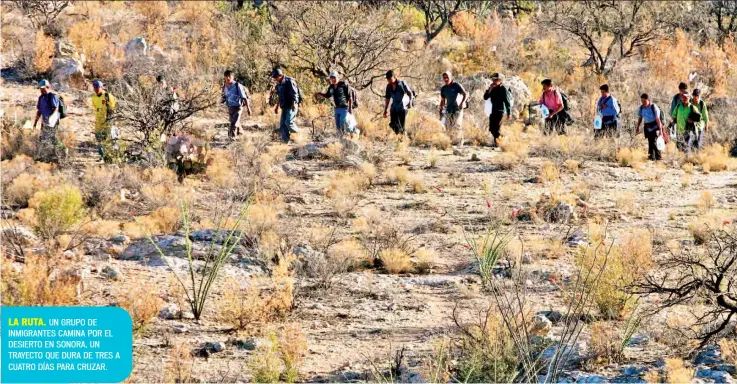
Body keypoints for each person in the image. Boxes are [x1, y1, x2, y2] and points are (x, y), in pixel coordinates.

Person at [34, 79, 62, 162]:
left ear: (48, 87)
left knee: (51, 139)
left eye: (43, 88)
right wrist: (35, 123)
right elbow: (39, 111)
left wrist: (50, 118)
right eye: (40, 89)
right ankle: (45, 156)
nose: (41, 90)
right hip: (44, 122)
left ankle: (61, 152)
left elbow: (55, 108)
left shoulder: (52, 96)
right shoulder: (41, 98)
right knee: (43, 139)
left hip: (52, 122)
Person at [90, 80, 118, 163]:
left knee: (110, 139)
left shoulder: (108, 96)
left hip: (108, 121)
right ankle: (102, 156)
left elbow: (113, 108)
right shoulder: (93, 97)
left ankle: (113, 156)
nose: (96, 89)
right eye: (94, 87)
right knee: (99, 139)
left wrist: (111, 120)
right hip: (98, 121)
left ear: (102, 87)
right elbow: (96, 108)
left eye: (98, 87)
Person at [482, 73, 512, 147]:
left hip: (501, 111)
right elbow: (485, 97)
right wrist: (490, 89)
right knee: (491, 128)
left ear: (500, 80)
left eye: (496, 80)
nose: (494, 81)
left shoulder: (503, 89)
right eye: (493, 79)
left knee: (497, 129)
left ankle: (498, 144)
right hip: (493, 111)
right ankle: (502, 139)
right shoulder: (492, 88)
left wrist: (509, 113)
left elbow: (507, 102)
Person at [439, 71, 467, 145]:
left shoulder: (456, 85)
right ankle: (450, 141)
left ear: (451, 77)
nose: (446, 79)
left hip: (458, 108)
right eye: (444, 78)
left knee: (457, 125)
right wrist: (441, 111)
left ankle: (460, 142)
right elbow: (442, 101)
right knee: (448, 126)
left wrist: (462, 103)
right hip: (449, 108)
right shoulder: (443, 88)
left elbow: (465, 94)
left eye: (447, 77)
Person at [272, 68, 300, 143]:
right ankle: (285, 142)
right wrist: (277, 107)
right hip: (284, 106)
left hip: (291, 106)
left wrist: (294, 104)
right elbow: (279, 96)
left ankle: (298, 134)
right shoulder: (278, 84)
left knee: (289, 122)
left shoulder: (289, 81)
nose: (275, 79)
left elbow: (295, 94)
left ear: (280, 76)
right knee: (282, 125)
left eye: (275, 77)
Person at [222, 70, 252, 139]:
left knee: (234, 123)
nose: (228, 78)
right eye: (226, 77)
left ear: (233, 77)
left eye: (229, 76)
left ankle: (232, 138)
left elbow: (244, 97)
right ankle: (241, 133)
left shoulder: (237, 85)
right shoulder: (224, 86)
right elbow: (224, 96)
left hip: (238, 107)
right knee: (233, 121)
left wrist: (248, 108)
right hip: (230, 107)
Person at [383, 70, 414, 135]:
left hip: (402, 107)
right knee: (392, 124)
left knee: (401, 126)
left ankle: (402, 138)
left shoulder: (401, 83)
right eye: (388, 79)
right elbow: (387, 98)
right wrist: (385, 110)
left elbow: (410, 93)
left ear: (394, 77)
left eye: (390, 79)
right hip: (394, 108)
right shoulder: (388, 86)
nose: (389, 81)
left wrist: (410, 103)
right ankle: (402, 134)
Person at [635, 94, 664, 161]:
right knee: (650, 141)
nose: (643, 102)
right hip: (647, 126)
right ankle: (651, 157)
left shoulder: (653, 107)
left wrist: (661, 131)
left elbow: (658, 119)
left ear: (648, 100)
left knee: (654, 141)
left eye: (644, 101)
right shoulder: (641, 108)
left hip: (655, 126)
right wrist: (638, 127)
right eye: (642, 101)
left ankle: (658, 157)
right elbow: (640, 117)